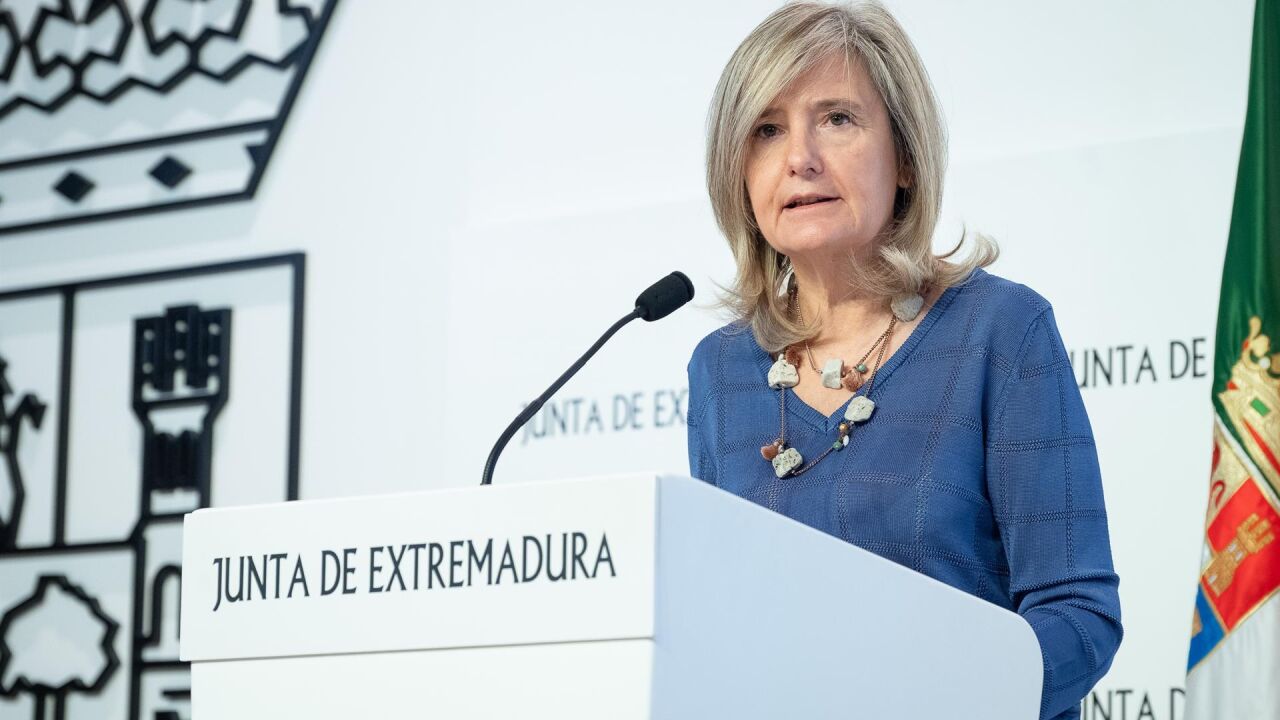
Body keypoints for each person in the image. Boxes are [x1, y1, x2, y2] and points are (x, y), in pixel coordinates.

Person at [686, 3, 1122, 719]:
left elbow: (1077, 615)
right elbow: (720, 626)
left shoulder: (1000, 332)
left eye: (837, 119)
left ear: (908, 159)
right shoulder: (720, 371)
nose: (799, 157)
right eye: (766, 129)